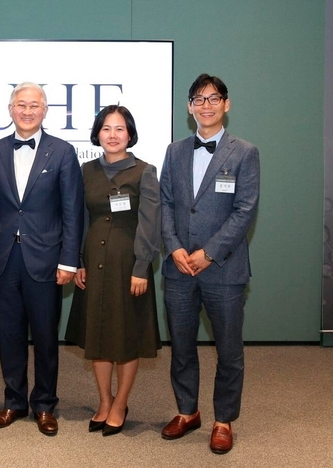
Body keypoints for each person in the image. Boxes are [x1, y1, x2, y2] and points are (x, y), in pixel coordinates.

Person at [160, 73, 260, 454]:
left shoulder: (245, 152)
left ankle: (223, 419)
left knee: (229, 351)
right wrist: (173, 247)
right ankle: (187, 411)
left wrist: (209, 252)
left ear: (226, 104)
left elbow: (245, 209)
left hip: (224, 270)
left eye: (214, 98)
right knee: (182, 346)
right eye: (198, 99)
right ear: (189, 107)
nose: (206, 105)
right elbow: (166, 204)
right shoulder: (174, 151)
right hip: (179, 268)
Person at [0, 82, 84, 436]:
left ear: (45, 110)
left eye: (34, 105)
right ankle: (14, 402)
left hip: (47, 259)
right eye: (20, 105)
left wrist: (69, 261)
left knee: (45, 337)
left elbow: (72, 211)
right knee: (8, 334)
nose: (27, 111)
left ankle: (44, 404)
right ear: (10, 110)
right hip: (5, 258)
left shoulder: (64, 152)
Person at [65, 105, 161, 436]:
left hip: (127, 264)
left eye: (120, 129)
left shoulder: (144, 171)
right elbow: (78, 218)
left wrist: (141, 267)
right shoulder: (85, 170)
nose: (113, 135)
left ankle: (121, 404)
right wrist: (78, 260)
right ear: (97, 134)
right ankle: (104, 402)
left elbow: (150, 224)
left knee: (126, 336)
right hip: (93, 262)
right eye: (106, 128)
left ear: (130, 134)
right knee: (98, 335)